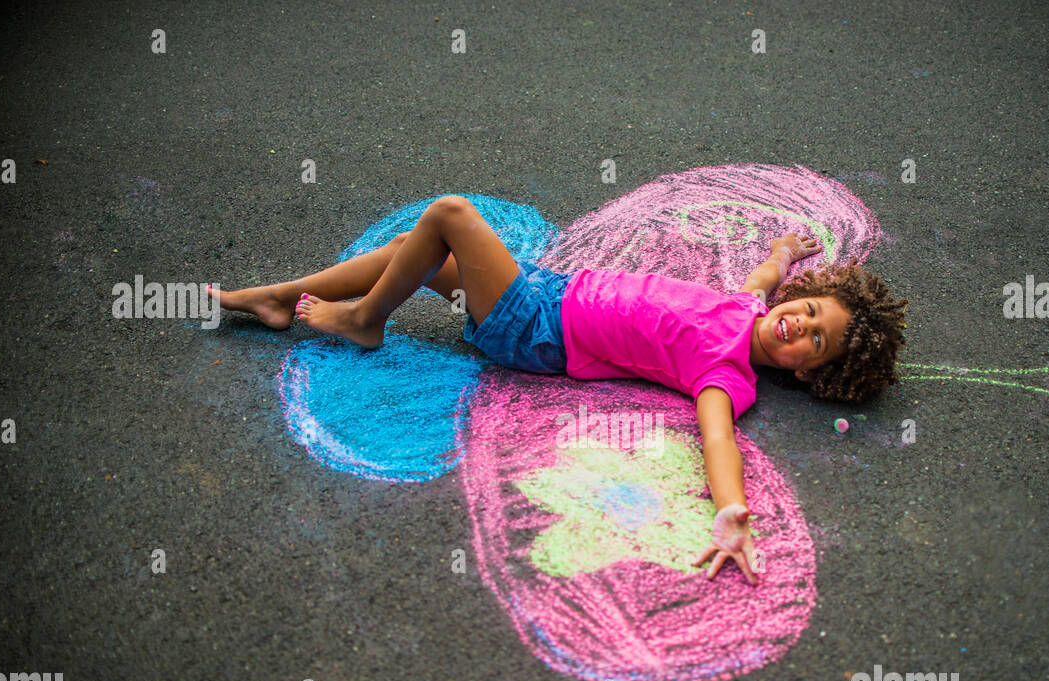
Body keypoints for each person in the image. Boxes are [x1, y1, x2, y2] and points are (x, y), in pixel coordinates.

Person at [213, 194, 908, 585]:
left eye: (816, 340)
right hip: (550, 294)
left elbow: (717, 436)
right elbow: (761, 286)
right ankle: (278, 297)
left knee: (449, 215)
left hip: (537, 330)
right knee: (419, 254)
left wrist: (731, 511)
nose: (800, 325)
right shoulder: (750, 310)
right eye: (812, 311)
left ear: (811, 372)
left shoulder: (725, 373)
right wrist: (782, 255)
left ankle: (365, 320)